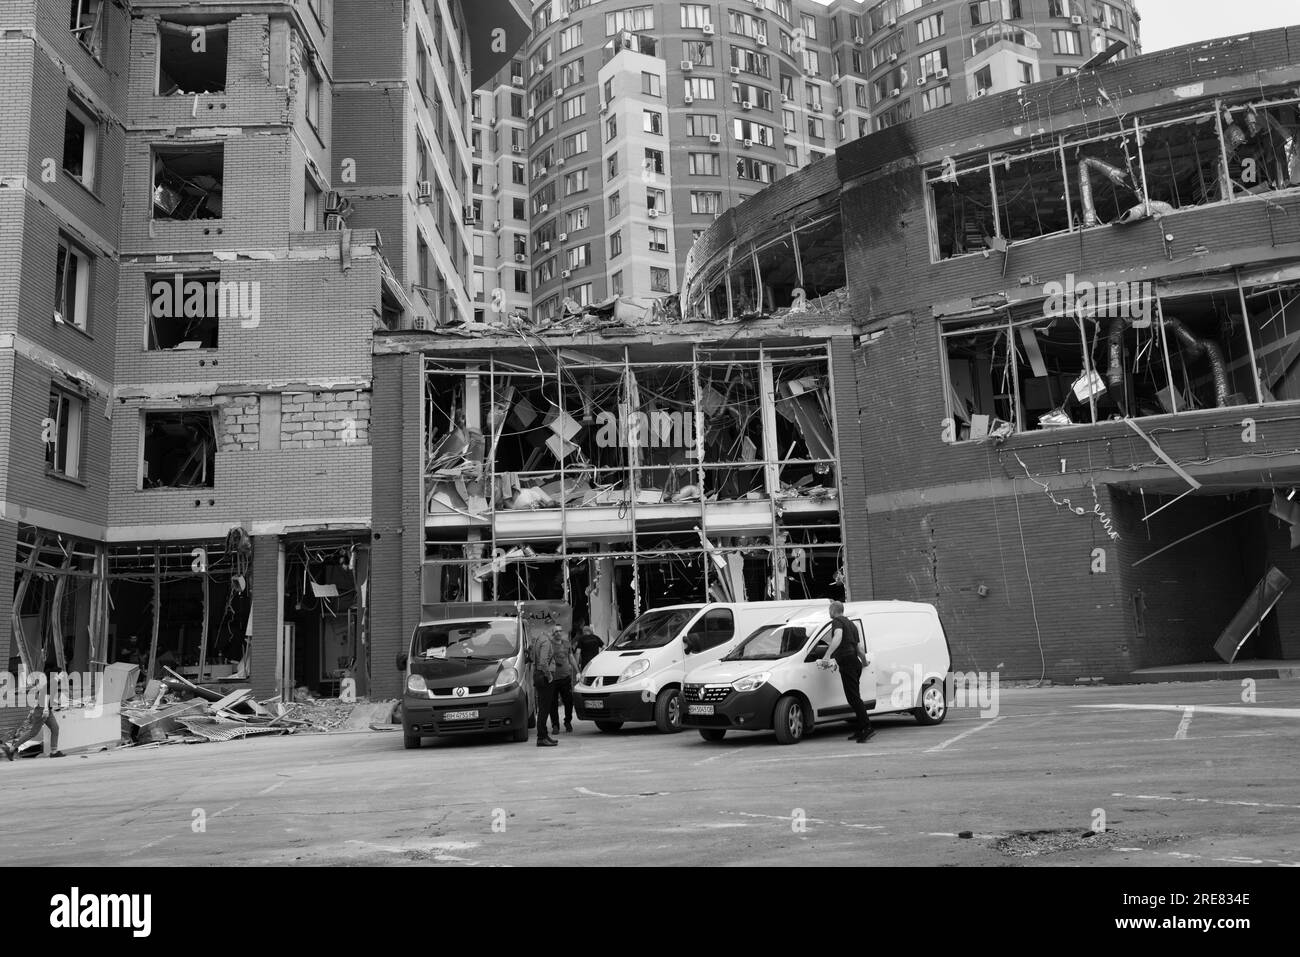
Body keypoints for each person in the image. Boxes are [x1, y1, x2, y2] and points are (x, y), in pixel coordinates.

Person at [819, 600, 874, 744]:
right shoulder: (852, 625)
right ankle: (862, 728)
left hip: (848, 663)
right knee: (853, 698)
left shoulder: (837, 622)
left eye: (829, 610)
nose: (829, 612)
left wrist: (827, 655)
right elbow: (859, 649)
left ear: (833, 610)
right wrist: (863, 662)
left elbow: (838, 637)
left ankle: (867, 728)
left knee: (854, 698)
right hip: (854, 663)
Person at [2, 670, 63, 761]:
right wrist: (45, 709)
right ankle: (11, 749)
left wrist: (47, 707)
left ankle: (54, 752)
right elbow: (46, 695)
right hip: (42, 711)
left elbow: (41, 694)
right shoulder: (54, 681)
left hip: (45, 710)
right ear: (57, 674)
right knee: (33, 733)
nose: (63, 675)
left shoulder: (51, 682)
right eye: (61, 673)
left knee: (55, 728)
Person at [530, 627, 558, 748]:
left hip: (538, 675)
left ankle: (544, 735)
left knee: (543, 707)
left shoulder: (537, 640)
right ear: (550, 631)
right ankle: (541, 737)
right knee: (544, 709)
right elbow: (543, 662)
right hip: (545, 677)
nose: (555, 634)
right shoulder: (546, 641)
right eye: (554, 631)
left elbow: (532, 658)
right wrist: (549, 676)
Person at [549, 626, 580, 733]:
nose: (558, 633)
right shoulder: (549, 644)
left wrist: (578, 671)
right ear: (553, 633)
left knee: (568, 701)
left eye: (560, 631)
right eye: (556, 631)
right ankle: (555, 725)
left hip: (565, 677)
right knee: (553, 703)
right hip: (552, 678)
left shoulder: (567, 644)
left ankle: (567, 721)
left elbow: (571, 657)